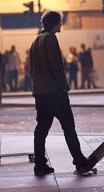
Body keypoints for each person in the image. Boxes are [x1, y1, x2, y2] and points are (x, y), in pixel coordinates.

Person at [29, 10, 91, 176]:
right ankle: (79, 160)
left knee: (41, 129)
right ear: (55, 23)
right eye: (60, 21)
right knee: (68, 127)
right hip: (54, 92)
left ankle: (40, 164)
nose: (61, 24)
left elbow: (31, 69)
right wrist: (64, 85)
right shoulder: (50, 38)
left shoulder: (36, 40)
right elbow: (56, 65)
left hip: (40, 93)